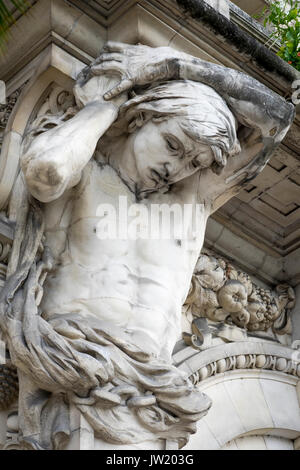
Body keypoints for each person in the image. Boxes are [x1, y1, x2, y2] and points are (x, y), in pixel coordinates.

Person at [0, 42, 294, 450]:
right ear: (141, 118)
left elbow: (277, 119)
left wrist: (173, 64)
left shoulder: (192, 201)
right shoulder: (85, 175)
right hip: (73, 364)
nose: (176, 167)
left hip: (157, 392)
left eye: (193, 162)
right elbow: (46, 173)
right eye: (172, 145)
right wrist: (104, 108)